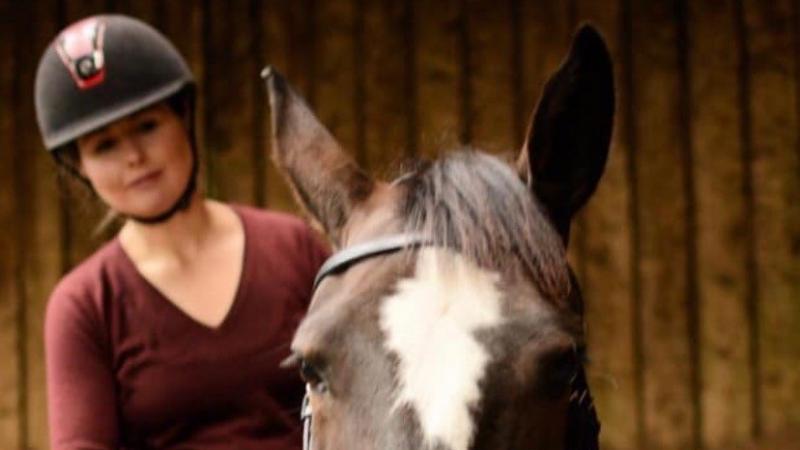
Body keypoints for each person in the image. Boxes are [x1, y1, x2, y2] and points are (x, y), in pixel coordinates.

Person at [34, 14, 328, 449]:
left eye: (147, 127)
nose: (133, 156)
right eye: (104, 146)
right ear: (80, 167)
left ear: (183, 116)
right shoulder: (84, 306)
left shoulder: (294, 248)